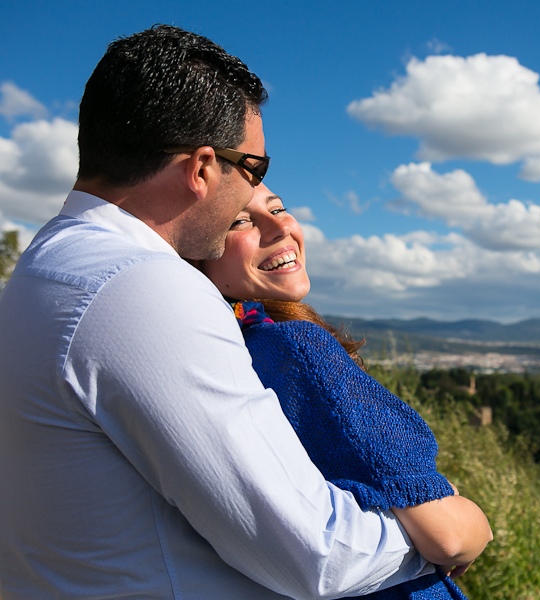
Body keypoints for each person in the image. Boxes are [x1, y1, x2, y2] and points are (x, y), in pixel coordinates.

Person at [0, 25, 432, 599]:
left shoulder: (47, 266)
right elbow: (315, 554)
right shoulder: (145, 288)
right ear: (202, 169)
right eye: (253, 168)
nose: (254, 194)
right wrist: (439, 536)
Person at [199, 183, 494, 599]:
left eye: (278, 207)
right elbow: (446, 537)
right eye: (240, 220)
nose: (279, 227)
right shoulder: (296, 350)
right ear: (199, 249)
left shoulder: (224, 353)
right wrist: (475, 522)